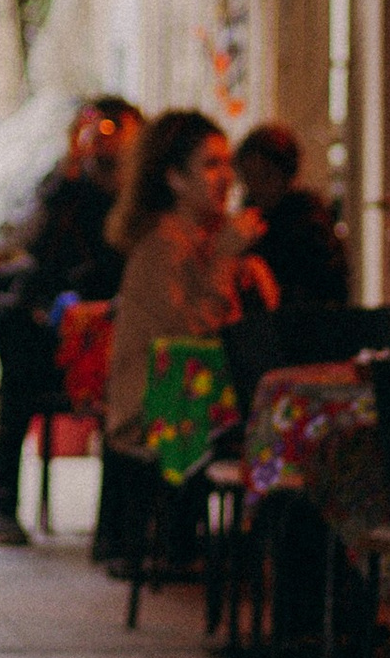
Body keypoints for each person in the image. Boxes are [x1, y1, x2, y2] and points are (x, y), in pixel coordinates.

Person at [0, 95, 136, 545]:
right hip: (56, 337)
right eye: (97, 131)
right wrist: (67, 175)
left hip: (122, 333)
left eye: (115, 133)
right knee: (20, 369)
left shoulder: (143, 198)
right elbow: (30, 244)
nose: (105, 144)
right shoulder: (65, 188)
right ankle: (1, 507)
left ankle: (123, 530)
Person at [102, 117, 264, 563]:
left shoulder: (208, 237)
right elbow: (193, 336)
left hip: (203, 401)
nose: (226, 177)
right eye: (211, 165)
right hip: (158, 409)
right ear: (175, 179)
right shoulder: (162, 246)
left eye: (227, 164)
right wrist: (226, 261)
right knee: (275, 425)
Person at [231, 123, 349, 311]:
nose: (255, 186)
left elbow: (326, 290)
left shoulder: (309, 223)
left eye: (265, 176)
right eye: (248, 177)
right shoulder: (247, 221)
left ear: (284, 174)